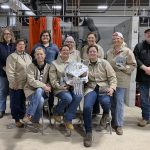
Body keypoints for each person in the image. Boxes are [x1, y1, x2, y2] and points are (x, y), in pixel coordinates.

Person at [83, 45, 117, 147]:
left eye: (94, 51)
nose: (92, 53)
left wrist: (112, 88)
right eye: (90, 52)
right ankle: (88, 132)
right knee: (87, 107)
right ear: (87, 54)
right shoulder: (84, 65)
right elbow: (80, 77)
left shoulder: (104, 63)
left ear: (97, 53)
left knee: (106, 103)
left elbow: (112, 77)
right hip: (91, 88)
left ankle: (106, 114)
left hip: (104, 87)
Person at [107, 32, 136, 135]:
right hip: (110, 80)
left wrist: (124, 67)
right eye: (114, 39)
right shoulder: (110, 51)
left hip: (121, 80)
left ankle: (119, 125)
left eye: (118, 38)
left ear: (122, 39)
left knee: (119, 102)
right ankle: (114, 121)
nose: (115, 40)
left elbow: (133, 65)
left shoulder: (127, 51)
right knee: (112, 103)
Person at [49, 45, 82, 130]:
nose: (66, 52)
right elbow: (53, 80)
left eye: (67, 50)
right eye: (64, 50)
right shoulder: (54, 63)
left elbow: (77, 75)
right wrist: (60, 87)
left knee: (78, 95)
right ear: (60, 52)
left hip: (73, 86)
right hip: (61, 88)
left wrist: (76, 82)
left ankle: (67, 118)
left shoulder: (73, 62)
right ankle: (56, 111)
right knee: (68, 98)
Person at [31, 30, 59, 113]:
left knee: (51, 90)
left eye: (47, 35)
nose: (45, 37)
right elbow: (32, 57)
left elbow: (57, 59)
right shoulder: (36, 46)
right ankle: (41, 108)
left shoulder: (54, 47)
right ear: (41, 37)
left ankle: (50, 108)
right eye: (43, 35)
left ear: (50, 37)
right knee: (41, 88)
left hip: (51, 72)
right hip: (40, 71)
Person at [6, 39, 32, 127]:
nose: (21, 46)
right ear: (16, 46)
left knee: (22, 102)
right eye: (19, 44)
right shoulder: (12, 56)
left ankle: (22, 117)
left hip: (26, 84)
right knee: (15, 103)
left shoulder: (28, 56)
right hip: (16, 84)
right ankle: (17, 119)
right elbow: (10, 71)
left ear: (25, 46)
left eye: (23, 44)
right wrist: (13, 82)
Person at [23, 47, 51, 126]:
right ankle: (35, 120)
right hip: (30, 91)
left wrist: (48, 85)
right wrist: (43, 85)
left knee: (39, 90)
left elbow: (51, 80)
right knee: (41, 100)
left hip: (44, 92)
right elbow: (31, 81)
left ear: (45, 55)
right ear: (35, 56)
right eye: (37, 54)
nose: (39, 56)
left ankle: (29, 115)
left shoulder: (49, 66)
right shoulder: (30, 66)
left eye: (41, 54)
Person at [81, 32, 104, 116]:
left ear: (95, 39)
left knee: (95, 90)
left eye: (92, 38)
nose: (90, 39)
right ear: (87, 39)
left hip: (95, 73)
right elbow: (82, 60)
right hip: (85, 73)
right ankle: (89, 111)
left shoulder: (99, 48)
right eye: (89, 38)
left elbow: (101, 62)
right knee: (88, 93)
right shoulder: (84, 48)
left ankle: (95, 111)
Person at [133, 29, 150, 127]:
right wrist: (145, 68)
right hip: (143, 77)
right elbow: (135, 58)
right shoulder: (139, 46)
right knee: (144, 99)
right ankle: (146, 118)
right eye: (148, 33)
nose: (149, 34)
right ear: (145, 34)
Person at [0, 28, 16, 118]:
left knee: (13, 91)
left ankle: (13, 109)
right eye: (5, 34)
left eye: (9, 34)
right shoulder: (0, 45)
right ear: (3, 35)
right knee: (3, 91)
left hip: (14, 74)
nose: (7, 35)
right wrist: (3, 67)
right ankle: (1, 110)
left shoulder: (14, 46)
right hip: (3, 73)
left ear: (11, 35)